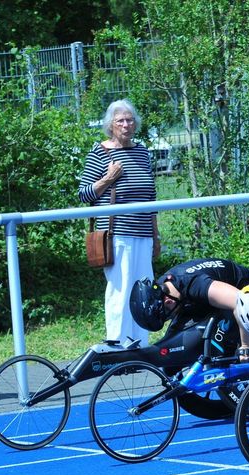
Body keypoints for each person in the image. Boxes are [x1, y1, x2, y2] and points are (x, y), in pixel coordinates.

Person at [78, 98, 159, 348]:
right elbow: (84, 194)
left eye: (130, 120)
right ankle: (117, 344)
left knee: (143, 290)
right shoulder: (100, 152)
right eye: (120, 120)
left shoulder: (142, 151)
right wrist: (108, 178)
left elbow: (151, 196)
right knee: (120, 290)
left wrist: (156, 236)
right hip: (117, 234)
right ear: (111, 125)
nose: (126, 124)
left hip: (143, 233)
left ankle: (139, 345)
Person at [129, 258, 249, 353]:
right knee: (173, 344)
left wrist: (247, 347)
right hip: (204, 301)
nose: (170, 318)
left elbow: (243, 302)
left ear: (168, 302)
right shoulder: (164, 287)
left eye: (167, 316)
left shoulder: (195, 284)